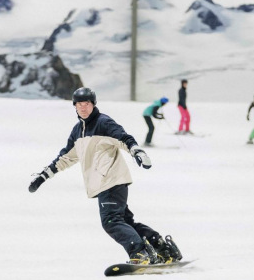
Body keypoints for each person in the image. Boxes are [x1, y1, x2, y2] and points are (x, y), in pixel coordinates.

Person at [28, 87, 182, 265]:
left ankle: (139, 253)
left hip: (111, 180)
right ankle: (161, 247)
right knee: (125, 221)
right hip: (105, 184)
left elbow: (123, 138)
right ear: (75, 106)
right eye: (79, 104)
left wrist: (137, 152)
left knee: (111, 221)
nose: (83, 107)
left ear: (93, 104)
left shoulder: (103, 122)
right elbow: (65, 157)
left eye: (87, 103)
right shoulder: (78, 131)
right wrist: (43, 176)